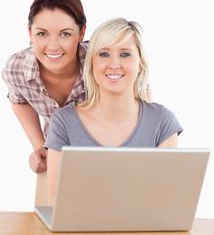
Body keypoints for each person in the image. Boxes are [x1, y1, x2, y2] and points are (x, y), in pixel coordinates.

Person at [45, 17, 183, 204]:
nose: (114, 64)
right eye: (103, 54)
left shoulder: (162, 121)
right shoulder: (64, 121)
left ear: (140, 63)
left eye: (125, 54)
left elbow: (168, 199)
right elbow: (55, 199)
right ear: (91, 64)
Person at [2, 0, 87, 173]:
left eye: (65, 33)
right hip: (58, 164)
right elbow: (19, 101)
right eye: (42, 33)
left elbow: (138, 91)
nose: (53, 46)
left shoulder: (100, 63)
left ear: (81, 32)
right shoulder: (16, 69)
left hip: (107, 158)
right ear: (30, 32)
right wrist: (41, 146)